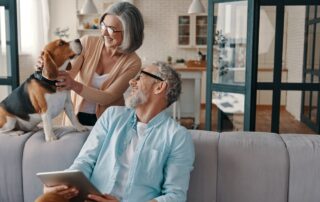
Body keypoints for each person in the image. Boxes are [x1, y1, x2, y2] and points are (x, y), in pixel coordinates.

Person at [36, 62, 195, 202]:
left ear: (160, 86)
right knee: (47, 199)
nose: (131, 81)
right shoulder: (112, 116)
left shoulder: (177, 136)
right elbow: (85, 161)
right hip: (90, 199)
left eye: (140, 77)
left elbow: (175, 196)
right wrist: (60, 186)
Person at [39, 2, 144, 126]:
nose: (104, 33)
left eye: (112, 29)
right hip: (75, 118)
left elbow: (108, 97)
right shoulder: (87, 42)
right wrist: (47, 65)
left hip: (108, 122)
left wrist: (74, 85)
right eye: (103, 25)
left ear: (129, 33)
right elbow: (67, 75)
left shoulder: (133, 62)